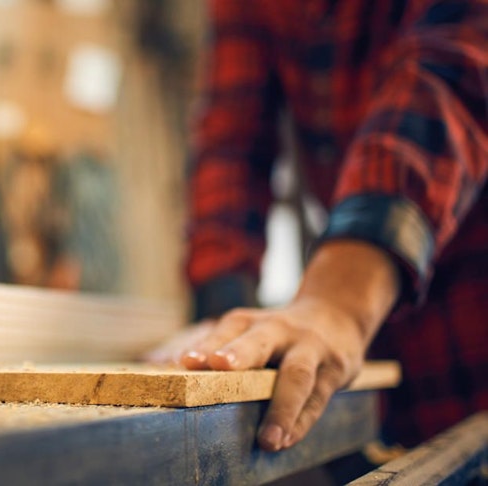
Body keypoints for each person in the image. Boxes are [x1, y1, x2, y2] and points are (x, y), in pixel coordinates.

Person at [169, 0, 488, 453]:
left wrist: (339, 301)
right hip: (391, 357)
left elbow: (450, 77)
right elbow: (232, 146)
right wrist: (223, 329)